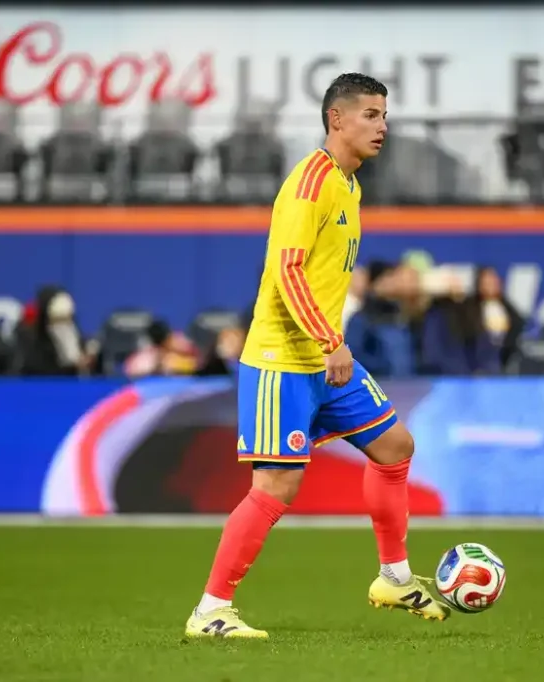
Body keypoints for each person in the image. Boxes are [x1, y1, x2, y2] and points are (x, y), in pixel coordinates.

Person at [184, 73, 449, 640]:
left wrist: (329, 345)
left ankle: (394, 577)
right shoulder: (311, 182)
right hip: (283, 358)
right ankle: (210, 611)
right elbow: (286, 271)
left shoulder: (349, 186)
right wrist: (331, 341)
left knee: (394, 446)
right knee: (275, 488)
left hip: (324, 359)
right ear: (337, 119)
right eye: (371, 114)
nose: (383, 125)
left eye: (384, 114)